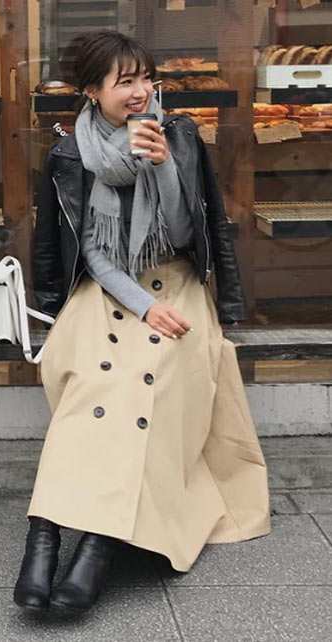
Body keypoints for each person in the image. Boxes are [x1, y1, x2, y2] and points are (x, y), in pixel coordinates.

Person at [14, 31, 271, 614]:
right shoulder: (70, 153)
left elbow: (186, 232)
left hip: (175, 281)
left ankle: (98, 545)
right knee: (92, 387)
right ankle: (44, 534)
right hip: (109, 288)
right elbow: (89, 250)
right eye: (124, 81)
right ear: (92, 91)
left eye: (146, 79)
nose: (140, 92)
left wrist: (163, 168)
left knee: (151, 380)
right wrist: (142, 304)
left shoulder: (178, 134)